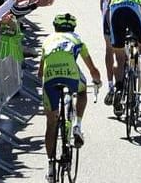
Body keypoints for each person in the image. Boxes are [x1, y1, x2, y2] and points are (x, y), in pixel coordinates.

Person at [39, 13, 102, 163]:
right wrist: (97, 81)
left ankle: (50, 167)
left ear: (55, 27)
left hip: (50, 78)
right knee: (82, 89)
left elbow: (40, 72)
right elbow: (92, 69)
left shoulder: (47, 40)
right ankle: (77, 125)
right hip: (71, 75)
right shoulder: (77, 39)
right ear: (73, 27)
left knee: (51, 123)